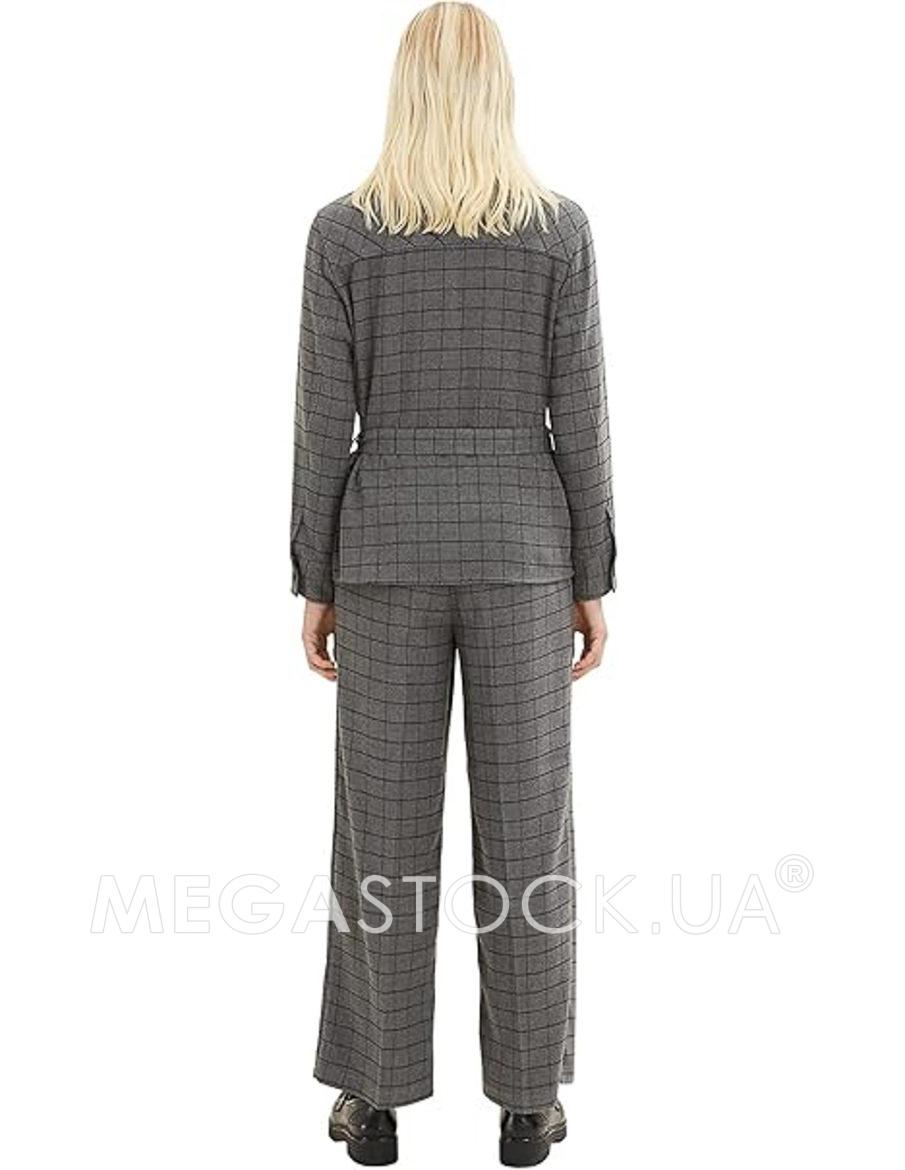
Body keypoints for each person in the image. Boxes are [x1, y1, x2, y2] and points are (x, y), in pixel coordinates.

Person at [290, 3, 615, 1164]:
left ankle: (373, 1100)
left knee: (378, 831)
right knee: (529, 832)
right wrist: (591, 574)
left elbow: (323, 422)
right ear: (496, 93)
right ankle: (527, 1103)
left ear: (405, 93)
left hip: (383, 550)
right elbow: (580, 416)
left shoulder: (343, 234)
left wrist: (314, 575)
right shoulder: (556, 232)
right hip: (523, 551)